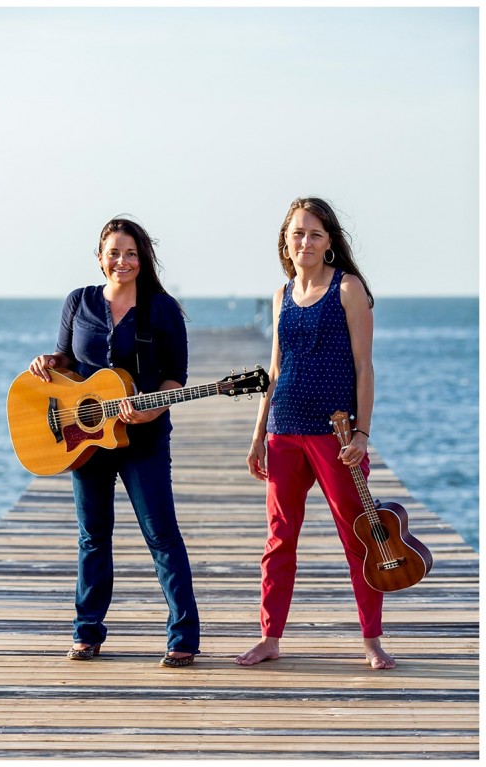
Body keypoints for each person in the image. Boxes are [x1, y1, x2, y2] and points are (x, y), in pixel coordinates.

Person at [28, 217, 200, 667]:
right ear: (99, 257)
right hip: (85, 439)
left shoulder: (162, 309)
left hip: (143, 438)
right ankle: (87, 633)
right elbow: (66, 358)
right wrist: (48, 361)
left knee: (161, 534)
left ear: (142, 260)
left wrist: (152, 408)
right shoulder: (78, 301)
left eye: (131, 254)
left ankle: (183, 636)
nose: (121, 261)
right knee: (92, 536)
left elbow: (175, 378)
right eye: (114, 253)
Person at [235, 197, 392, 669]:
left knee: (358, 536)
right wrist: (259, 433)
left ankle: (371, 638)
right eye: (298, 233)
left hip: (336, 436)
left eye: (315, 234)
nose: (305, 241)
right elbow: (275, 369)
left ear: (329, 243)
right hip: (285, 432)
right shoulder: (282, 294)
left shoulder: (348, 288)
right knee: (280, 538)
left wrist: (362, 434)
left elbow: (365, 368)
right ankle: (270, 637)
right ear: (286, 239)